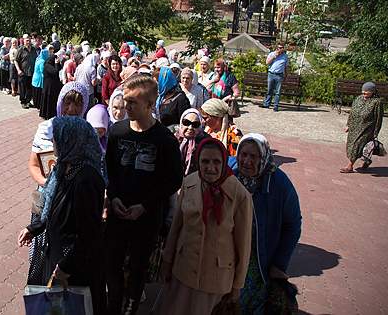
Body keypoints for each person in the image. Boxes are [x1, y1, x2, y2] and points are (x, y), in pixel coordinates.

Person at [105, 74, 183, 315]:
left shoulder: (165, 140)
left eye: (133, 102)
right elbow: (110, 170)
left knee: (138, 268)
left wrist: (145, 206)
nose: (126, 106)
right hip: (118, 213)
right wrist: (113, 197)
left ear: (150, 105)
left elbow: (174, 180)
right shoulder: (117, 132)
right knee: (112, 264)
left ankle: (131, 307)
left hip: (146, 218)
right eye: (125, 100)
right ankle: (113, 306)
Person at [18, 116, 106, 314]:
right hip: (58, 255)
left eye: (57, 137)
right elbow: (53, 206)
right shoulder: (64, 167)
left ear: (72, 140)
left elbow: (89, 234)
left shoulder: (86, 179)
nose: (53, 142)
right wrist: (34, 228)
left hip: (74, 263)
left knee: (73, 306)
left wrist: (66, 267)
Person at [160, 138, 253, 315]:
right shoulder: (189, 183)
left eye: (216, 162)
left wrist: (237, 286)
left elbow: (243, 245)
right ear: (198, 162)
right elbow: (176, 226)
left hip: (215, 279)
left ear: (224, 162)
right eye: (205, 161)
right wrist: (167, 259)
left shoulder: (240, 195)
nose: (210, 167)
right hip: (184, 270)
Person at [227, 134, 301, 313]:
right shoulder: (230, 173)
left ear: (264, 157)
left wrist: (279, 264)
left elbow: (293, 225)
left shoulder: (279, 184)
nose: (246, 161)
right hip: (228, 255)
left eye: (254, 156)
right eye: (243, 154)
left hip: (258, 258)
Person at [27, 81, 90, 285]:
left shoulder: (87, 131)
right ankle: (40, 284)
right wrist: (49, 183)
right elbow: (33, 164)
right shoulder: (46, 128)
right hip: (46, 196)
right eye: (67, 102)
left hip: (71, 204)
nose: (71, 109)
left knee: (65, 254)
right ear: (59, 102)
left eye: (78, 103)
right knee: (41, 249)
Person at [341, 82, 384, 173]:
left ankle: (350, 166)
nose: (364, 92)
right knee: (353, 145)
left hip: (366, 128)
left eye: (367, 91)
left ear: (372, 91)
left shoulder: (377, 102)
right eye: (363, 90)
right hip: (354, 127)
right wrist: (348, 125)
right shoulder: (358, 98)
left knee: (356, 145)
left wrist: (376, 132)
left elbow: (378, 118)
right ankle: (367, 160)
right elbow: (352, 112)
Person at [176, 108, 210, 177]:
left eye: (195, 124)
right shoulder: (173, 138)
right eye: (186, 122)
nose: (190, 127)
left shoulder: (206, 142)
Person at [263, 43, 289, 111]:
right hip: (271, 74)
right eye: (279, 48)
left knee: (278, 92)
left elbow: (286, 67)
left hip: (279, 75)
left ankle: (276, 106)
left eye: (282, 48)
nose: (281, 49)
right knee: (269, 90)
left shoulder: (285, 56)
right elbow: (267, 63)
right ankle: (267, 104)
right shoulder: (272, 54)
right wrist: (275, 56)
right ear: (276, 48)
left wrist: (286, 75)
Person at [15, 34, 37, 109]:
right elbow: (16, 60)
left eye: (29, 40)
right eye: (27, 40)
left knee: (30, 88)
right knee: (22, 88)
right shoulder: (21, 49)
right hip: (23, 72)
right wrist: (18, 70)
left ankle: (28, 101)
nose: (28, 41)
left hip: (32, 72)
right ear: (23, 41)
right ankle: (23, 102)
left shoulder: (33, 49)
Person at [40, 49, 62, 120]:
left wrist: (58, 63)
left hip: (53, 86)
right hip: (48, 86)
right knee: (48, 100)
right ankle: (47, 114)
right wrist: (56, 64)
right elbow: (55, 71)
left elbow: (59, 68)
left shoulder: (51, 64)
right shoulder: (47, 65)